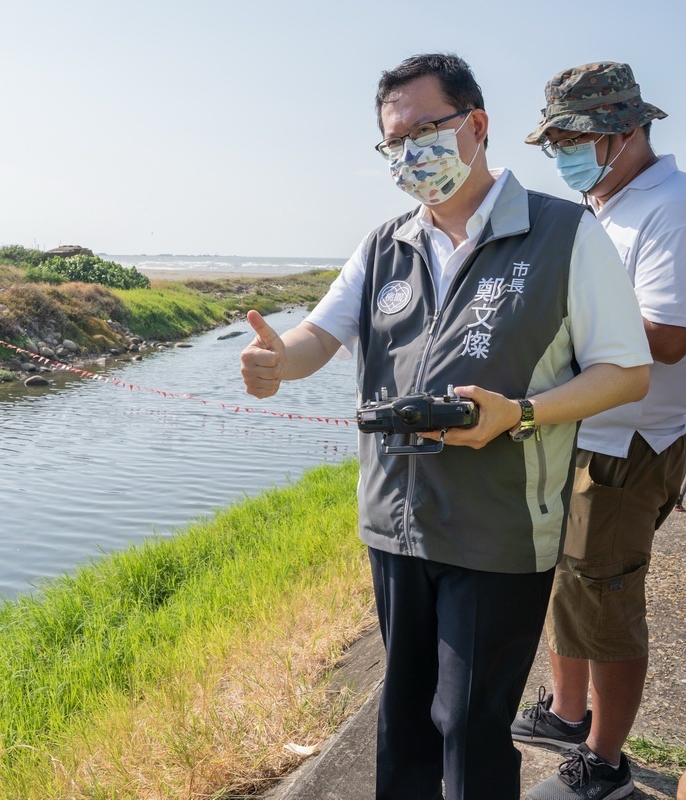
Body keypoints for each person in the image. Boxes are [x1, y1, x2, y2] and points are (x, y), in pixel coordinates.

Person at [240, 53, 651, 800]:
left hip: (498, 528)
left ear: (477, 126)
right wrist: (277, 361)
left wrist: (519, 415)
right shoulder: (383, 244)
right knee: (403, 727)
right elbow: (316, 337)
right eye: (393, 142)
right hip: (396, 525)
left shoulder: (565, 235)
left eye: (425, 130)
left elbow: (626, 372)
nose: (408, 154)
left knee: (468, 726)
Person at [511, 62, 686, 800]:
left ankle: (606, 763)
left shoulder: (669, 207)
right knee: (570, 579)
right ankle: (567, 711)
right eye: (554, 139)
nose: (562, 152)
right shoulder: (603, 201)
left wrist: (558, 338)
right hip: (586, 427)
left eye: (574, 136)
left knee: (605, 594)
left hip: (630, 441)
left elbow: (670, 336)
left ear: (626, 130)